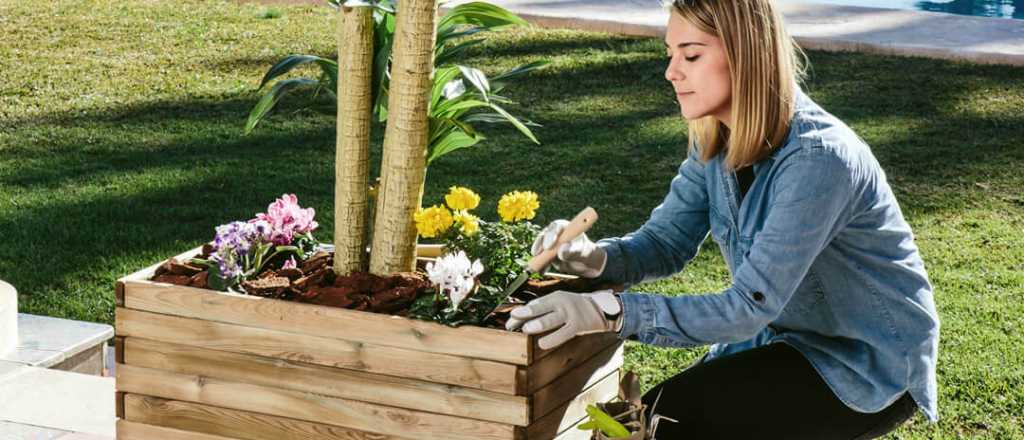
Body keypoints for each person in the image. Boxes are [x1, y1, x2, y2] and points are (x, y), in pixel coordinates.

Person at [504, 0, 940, 438]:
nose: (672, 72)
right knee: (643, 425)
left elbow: (749, 307)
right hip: (786, 341)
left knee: (666, 427)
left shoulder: (820, 160)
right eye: (670, 54)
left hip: (867, 365)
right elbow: (666, 242)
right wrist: (592, 258)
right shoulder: (716, 139)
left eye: (691, 55)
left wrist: (609, 311)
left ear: (746, 54)